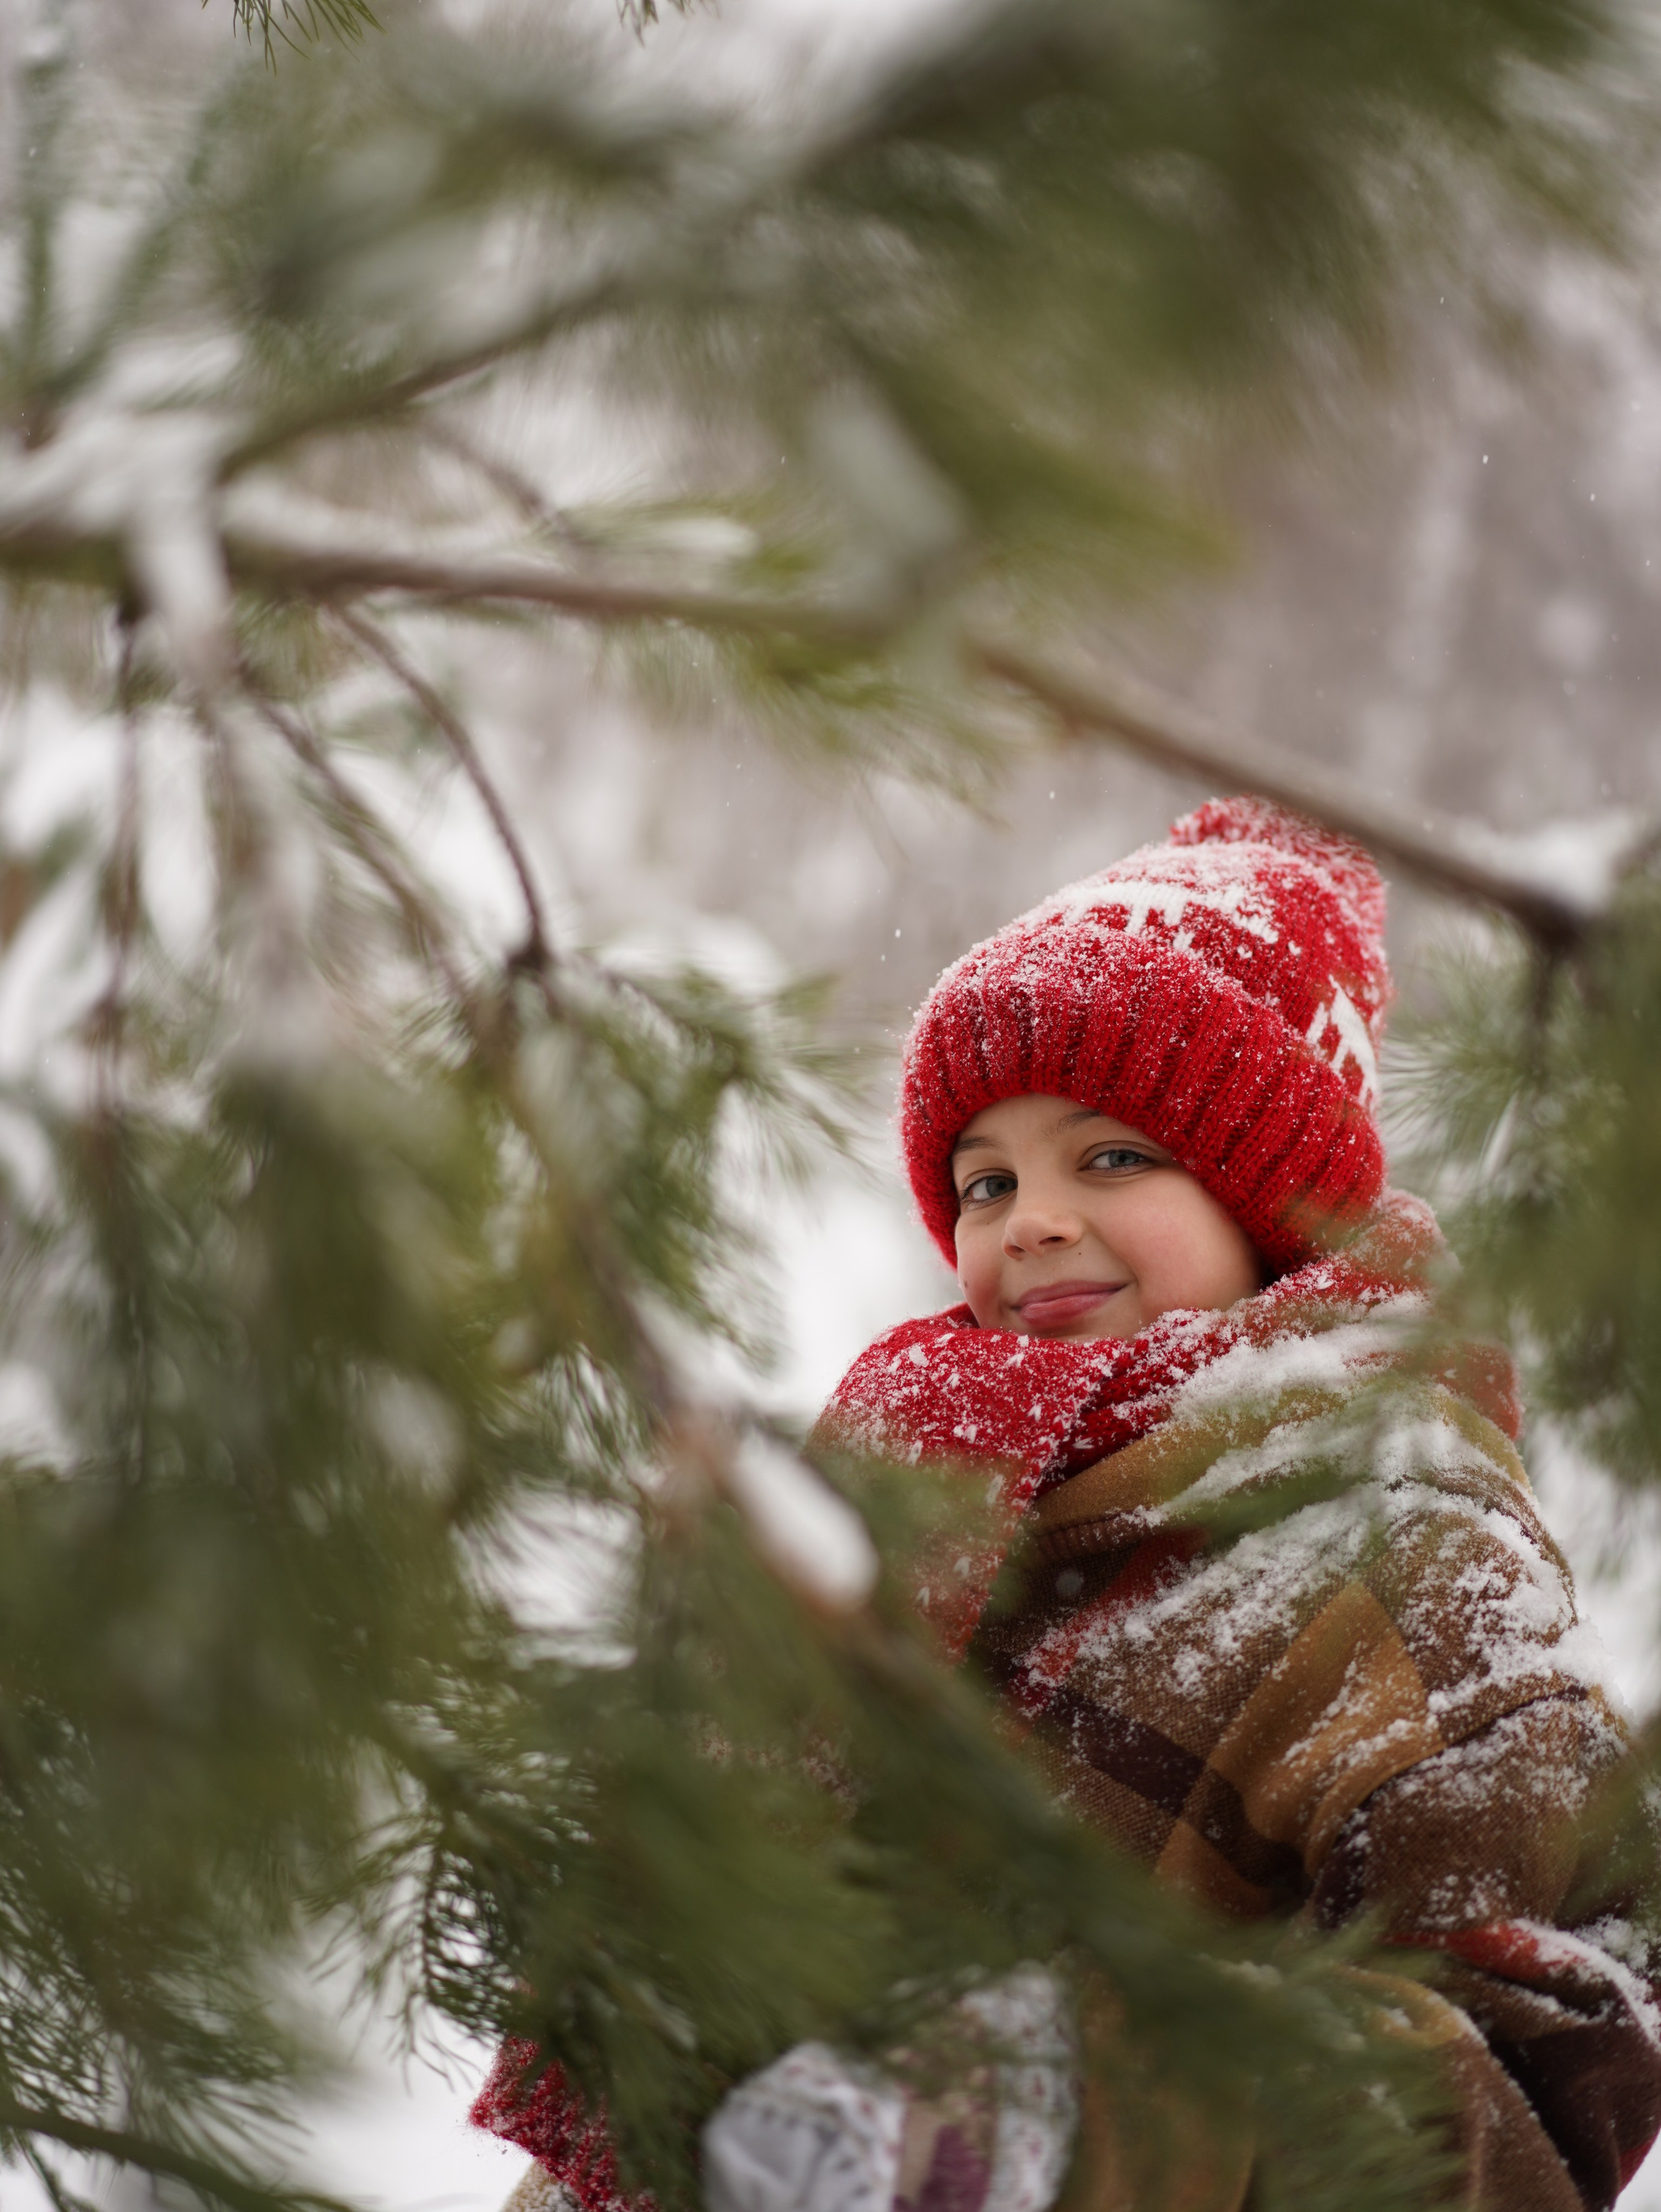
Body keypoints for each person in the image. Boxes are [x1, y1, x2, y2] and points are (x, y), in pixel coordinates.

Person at [476, 799, 1661, 2212]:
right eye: (986, 1180)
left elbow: (1544, 2076)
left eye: (1110, 1156)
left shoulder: (1412, 1554)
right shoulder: (925, 1493)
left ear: (1273, 1201)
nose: (1027, 1219)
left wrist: (1080, 2119)